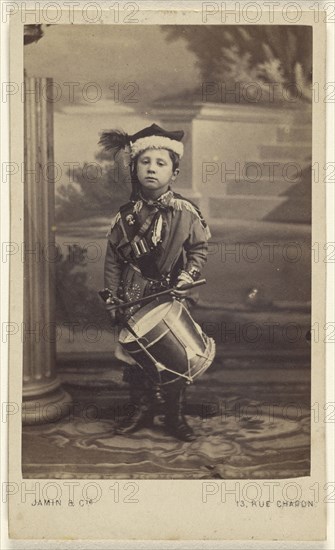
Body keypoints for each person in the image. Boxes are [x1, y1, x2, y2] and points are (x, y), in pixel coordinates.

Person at [99, 123, 211, 442]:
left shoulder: (186, 212)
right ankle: (142, 409)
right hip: (134, 292)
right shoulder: (124, 218)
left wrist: (188, 276)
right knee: (136, 357)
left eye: (161, 163)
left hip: (171, 295)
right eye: (145, 162)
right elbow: (113, 260)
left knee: (175, 352)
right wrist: (112, 297)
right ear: (134, 168)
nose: (152, 169)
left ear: (174, 173)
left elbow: (200, 247)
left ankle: (174, 415)